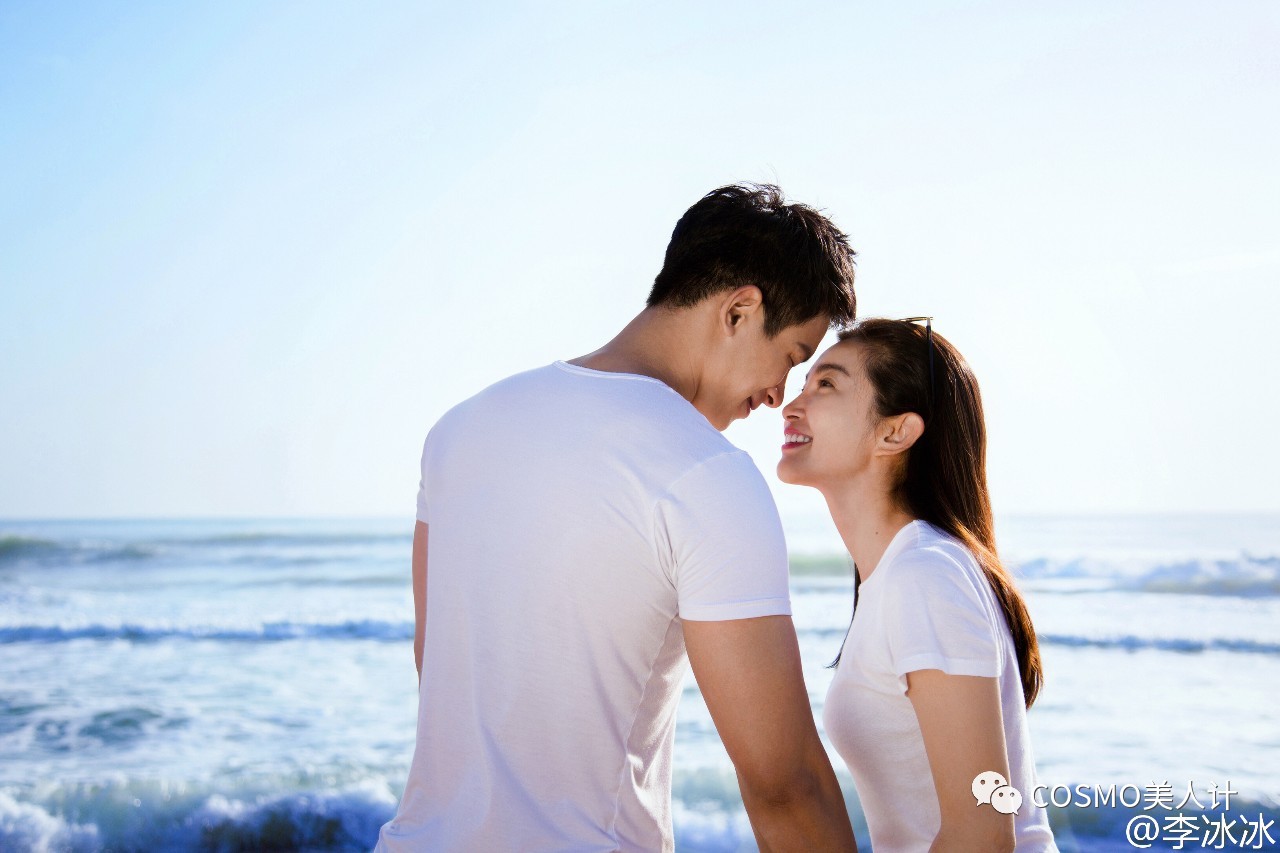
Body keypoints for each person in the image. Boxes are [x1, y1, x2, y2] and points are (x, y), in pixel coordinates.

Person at [376, 184, 860, 852]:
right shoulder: (705, 473)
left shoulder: (458, 430)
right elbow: (784, 783)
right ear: (739, 310)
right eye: (792, 356)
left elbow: (438, 666)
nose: (780, 395)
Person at [777, 318, 1058, 852]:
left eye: (825, 385)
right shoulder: (901, 574)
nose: (790, 406)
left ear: (895, 432)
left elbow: (983, 833)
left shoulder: (925, 574)